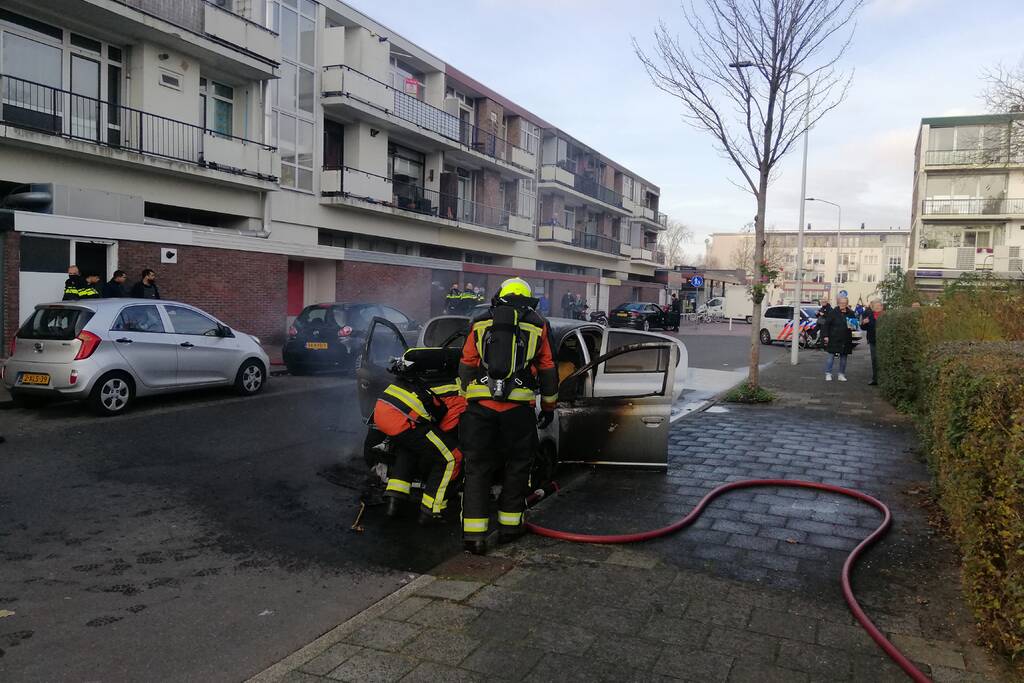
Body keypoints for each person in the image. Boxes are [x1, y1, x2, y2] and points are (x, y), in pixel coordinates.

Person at [458, 277, 558, 555]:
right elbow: (547, 366)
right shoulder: (537, 323)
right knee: (518, 465)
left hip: (480, 408)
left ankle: (474, 537)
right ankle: (509, 528)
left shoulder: (479, 320)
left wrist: (467, 394)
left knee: (477, 467)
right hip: (518, 409)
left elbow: (467, 361)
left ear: (500, 294)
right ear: (527, 297)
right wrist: (548, 406)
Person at [374, 348, 466, 524]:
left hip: (384, 410)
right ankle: (431, 512)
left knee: (410, 447)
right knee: (452, 457)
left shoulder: (424, 375)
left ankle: (394, 500)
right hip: (403, 419)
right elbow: (446, 427)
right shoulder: (460, 391)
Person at [821, 295, 856, 382]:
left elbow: (854, 325)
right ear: (838, 303)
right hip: (833, 337)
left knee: (844, 357)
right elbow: (826, 325)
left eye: (844, 303)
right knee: (830, 357)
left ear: (847, 303)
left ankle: (841, 374)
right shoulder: (833, 312)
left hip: (845, 337)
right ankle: (828, 373)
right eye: (841, 303)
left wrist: (853, 326)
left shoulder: (851, 313)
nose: (843, 304)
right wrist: (826, 336)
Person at [861, 299, 884, 386]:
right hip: (873, 340)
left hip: (883, 341)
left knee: (882, 360)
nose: (878, 307)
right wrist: (864, 323)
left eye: (879, 306)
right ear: (872, 308)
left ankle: (883, 379)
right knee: (874, 360)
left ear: (882, 307)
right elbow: (863, 328)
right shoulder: (869, 316)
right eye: (876, 306)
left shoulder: (886, 316)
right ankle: (875, 379)